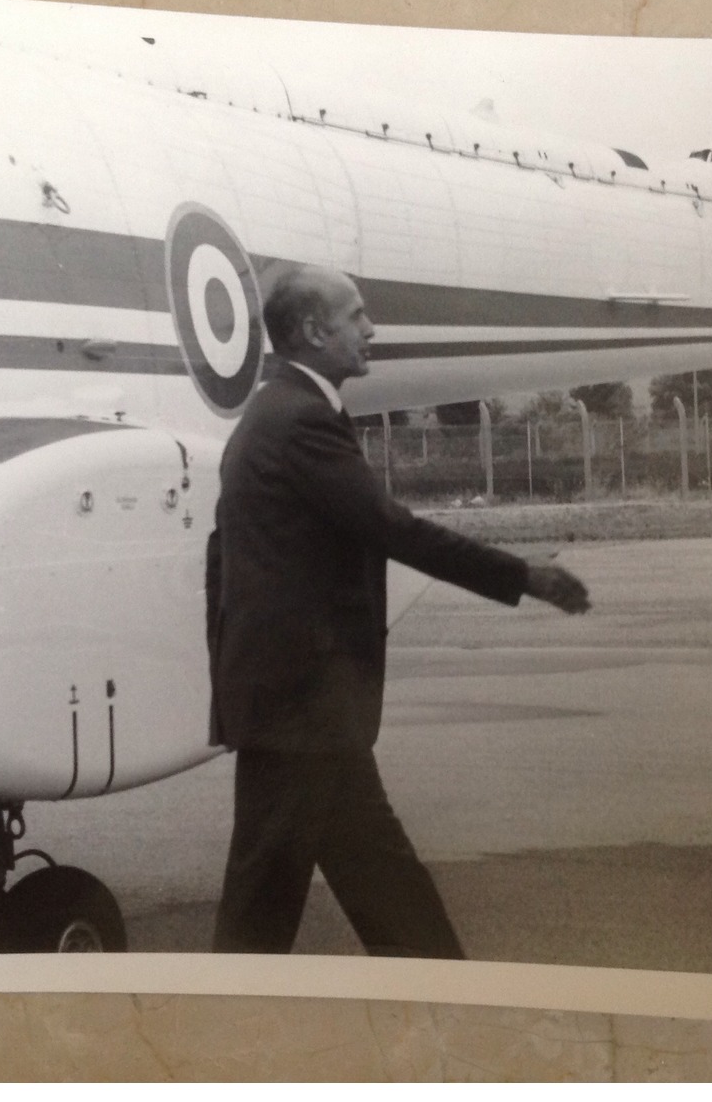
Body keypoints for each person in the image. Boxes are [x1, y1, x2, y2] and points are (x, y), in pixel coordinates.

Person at [206, 264, 590, 958]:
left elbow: (221, 559)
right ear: (315, 330)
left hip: (295, 709)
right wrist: (525, 576)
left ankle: (443, 1003)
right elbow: (392, 528)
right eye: (357, 316)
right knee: (275, 919)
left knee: (346, 895)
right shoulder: (299, 422)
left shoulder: (274, 414)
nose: (371, 328)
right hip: (302, 714)